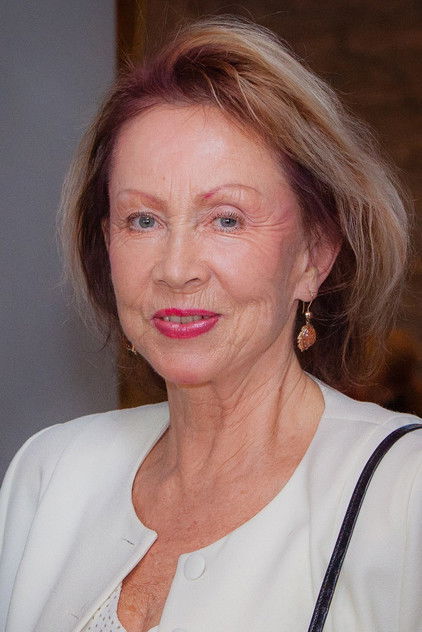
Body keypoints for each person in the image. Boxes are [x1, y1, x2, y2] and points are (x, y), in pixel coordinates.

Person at [0, 16, 420, 632]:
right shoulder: (48, 474)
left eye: (226, 219)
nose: (176, 270)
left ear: (314, 255)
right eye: (143, 220)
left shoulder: (405, 494)